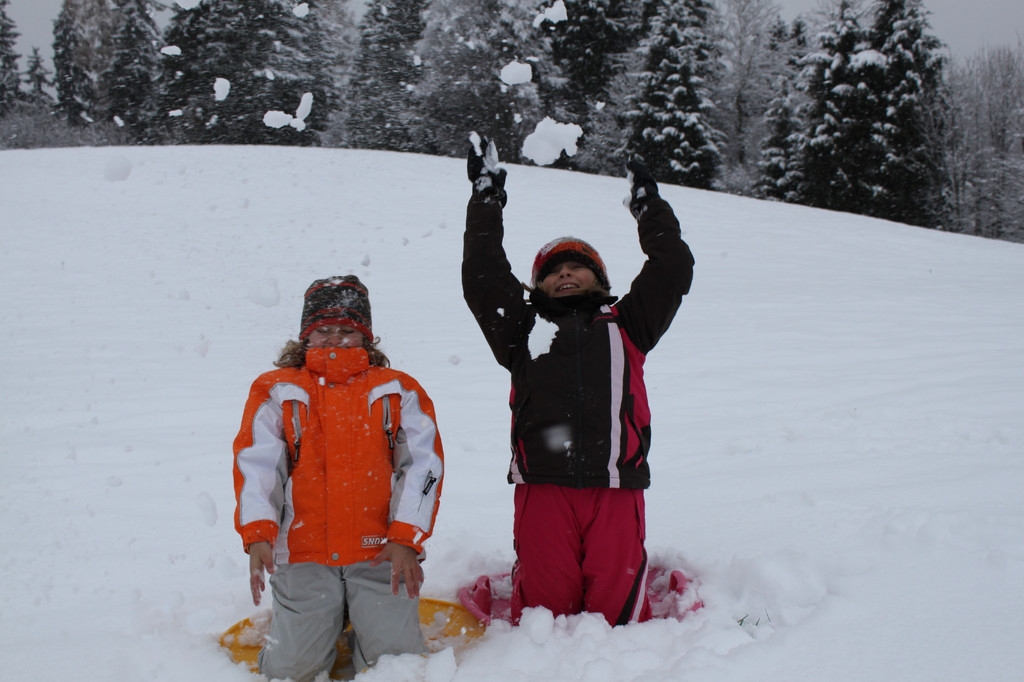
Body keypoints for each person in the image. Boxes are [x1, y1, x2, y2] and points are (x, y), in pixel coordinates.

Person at [461, 134, 694, 626]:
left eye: (577, 268)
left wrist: (648, 207)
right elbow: (483, 276)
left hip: (616, 487)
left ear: (600, 280)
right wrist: (486, 200)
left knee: (616, 621)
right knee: (544, 617)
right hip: (542, 488)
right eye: (553, 272)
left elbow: (672, 267)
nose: (565, 275)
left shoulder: (629, 323)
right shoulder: (521, 329)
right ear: (538, 286)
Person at [232, 275, 444, 681]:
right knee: (293, 670)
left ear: (366, 335)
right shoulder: (277, 389)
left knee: (396, 667)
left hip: (381, 553)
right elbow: (257, 464)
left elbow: (423, 465)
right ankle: (328, 615)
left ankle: (362, 614)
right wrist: (258, 531)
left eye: (347, 329)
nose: (334, 339)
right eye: (323, 329)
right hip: (303, 553)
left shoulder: (397, 389)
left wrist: (406, 538)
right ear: (305, 335)